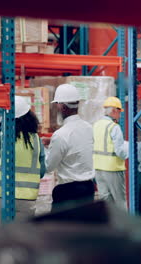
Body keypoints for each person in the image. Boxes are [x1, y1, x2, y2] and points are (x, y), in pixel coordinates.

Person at [0, 96, 46, 230]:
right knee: (22, 237)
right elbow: (41, 172)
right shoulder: (36, 139)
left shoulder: (0, 137)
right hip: (27, 198)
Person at [46, 83, 95, 211]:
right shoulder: (89, 128)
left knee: (63, 230)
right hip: (88, 189)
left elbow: (49, 166)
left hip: (67, 193)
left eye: (57, 104)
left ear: (62, 106)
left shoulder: (60, 135)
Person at [93, 96, 128, 209]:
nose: (120, 115)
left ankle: (109, 226)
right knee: (120, 202)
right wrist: (130, 150)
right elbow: (120, 152)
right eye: (119, 112)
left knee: (106, 203)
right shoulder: (114, 127)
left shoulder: (96, 125)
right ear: (114, 111)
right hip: (113, 169)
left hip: (98, 169)